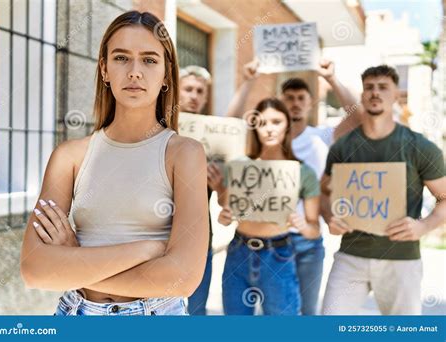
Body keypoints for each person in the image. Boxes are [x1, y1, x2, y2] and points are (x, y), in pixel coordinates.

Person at [20, 10, 209, 316]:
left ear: (165, 73)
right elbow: (35, 269)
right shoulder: (69, 156)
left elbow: (183, 278)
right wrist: (146, 250)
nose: (135, 71)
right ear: (105, 69)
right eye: (121, 58)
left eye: (149, 60)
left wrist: (75, 262)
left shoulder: (184, 154)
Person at [225, 59, 365, 315]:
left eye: (302, 97)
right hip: (261, 237)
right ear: (280, 101)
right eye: (289, 97)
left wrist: (331, 79)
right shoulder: (257, 148)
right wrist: (248, 81)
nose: (296, 102)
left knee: (305, 313)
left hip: (306, 240)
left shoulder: (322, 137)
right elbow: (227, 127)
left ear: (310, 102)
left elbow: (358, 119)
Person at [321, 65, 446, 315]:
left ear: (396, 96)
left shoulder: (419, 147)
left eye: (383, 87)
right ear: (362, 96)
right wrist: (329, 218)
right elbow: (323, 191)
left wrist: (424, 226)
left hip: (401, 259)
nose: (375, 92)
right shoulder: (343, 147)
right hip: (350, 255)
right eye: (369, 87)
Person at [218, 98, 320, 315]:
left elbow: (314, 230)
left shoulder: (302, 172)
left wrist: (302, 226)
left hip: (279, 256)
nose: (269, 129)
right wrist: (224, 217)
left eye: (276, 122)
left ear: (287, 126)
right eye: (263, 123)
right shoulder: (239, 167)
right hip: (238, 252)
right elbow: (226, 214)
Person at [178, 65, 226, 315]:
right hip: (159, 238)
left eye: (200, 91)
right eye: (188, 89)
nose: (194, 96)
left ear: (206, 97)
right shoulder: (158, 130)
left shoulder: (215, 138)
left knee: (196, 311)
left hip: (199, 237)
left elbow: (227, 197)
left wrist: (218, 185)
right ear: (176, 92)